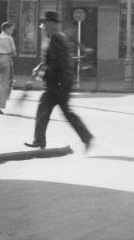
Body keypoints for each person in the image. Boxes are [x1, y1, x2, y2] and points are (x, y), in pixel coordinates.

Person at [24, 11, 94, 151]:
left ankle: (40, 140)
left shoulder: (56, 38)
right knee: (63, 112)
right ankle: (85, 136)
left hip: (57, 83)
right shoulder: (56, 37)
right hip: (61, 82)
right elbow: (54, 60)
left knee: (45, 110)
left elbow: (57, 62)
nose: (43, 26)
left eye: (44, 24)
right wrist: (42, 68)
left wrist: (45, 74)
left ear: (51, 24)